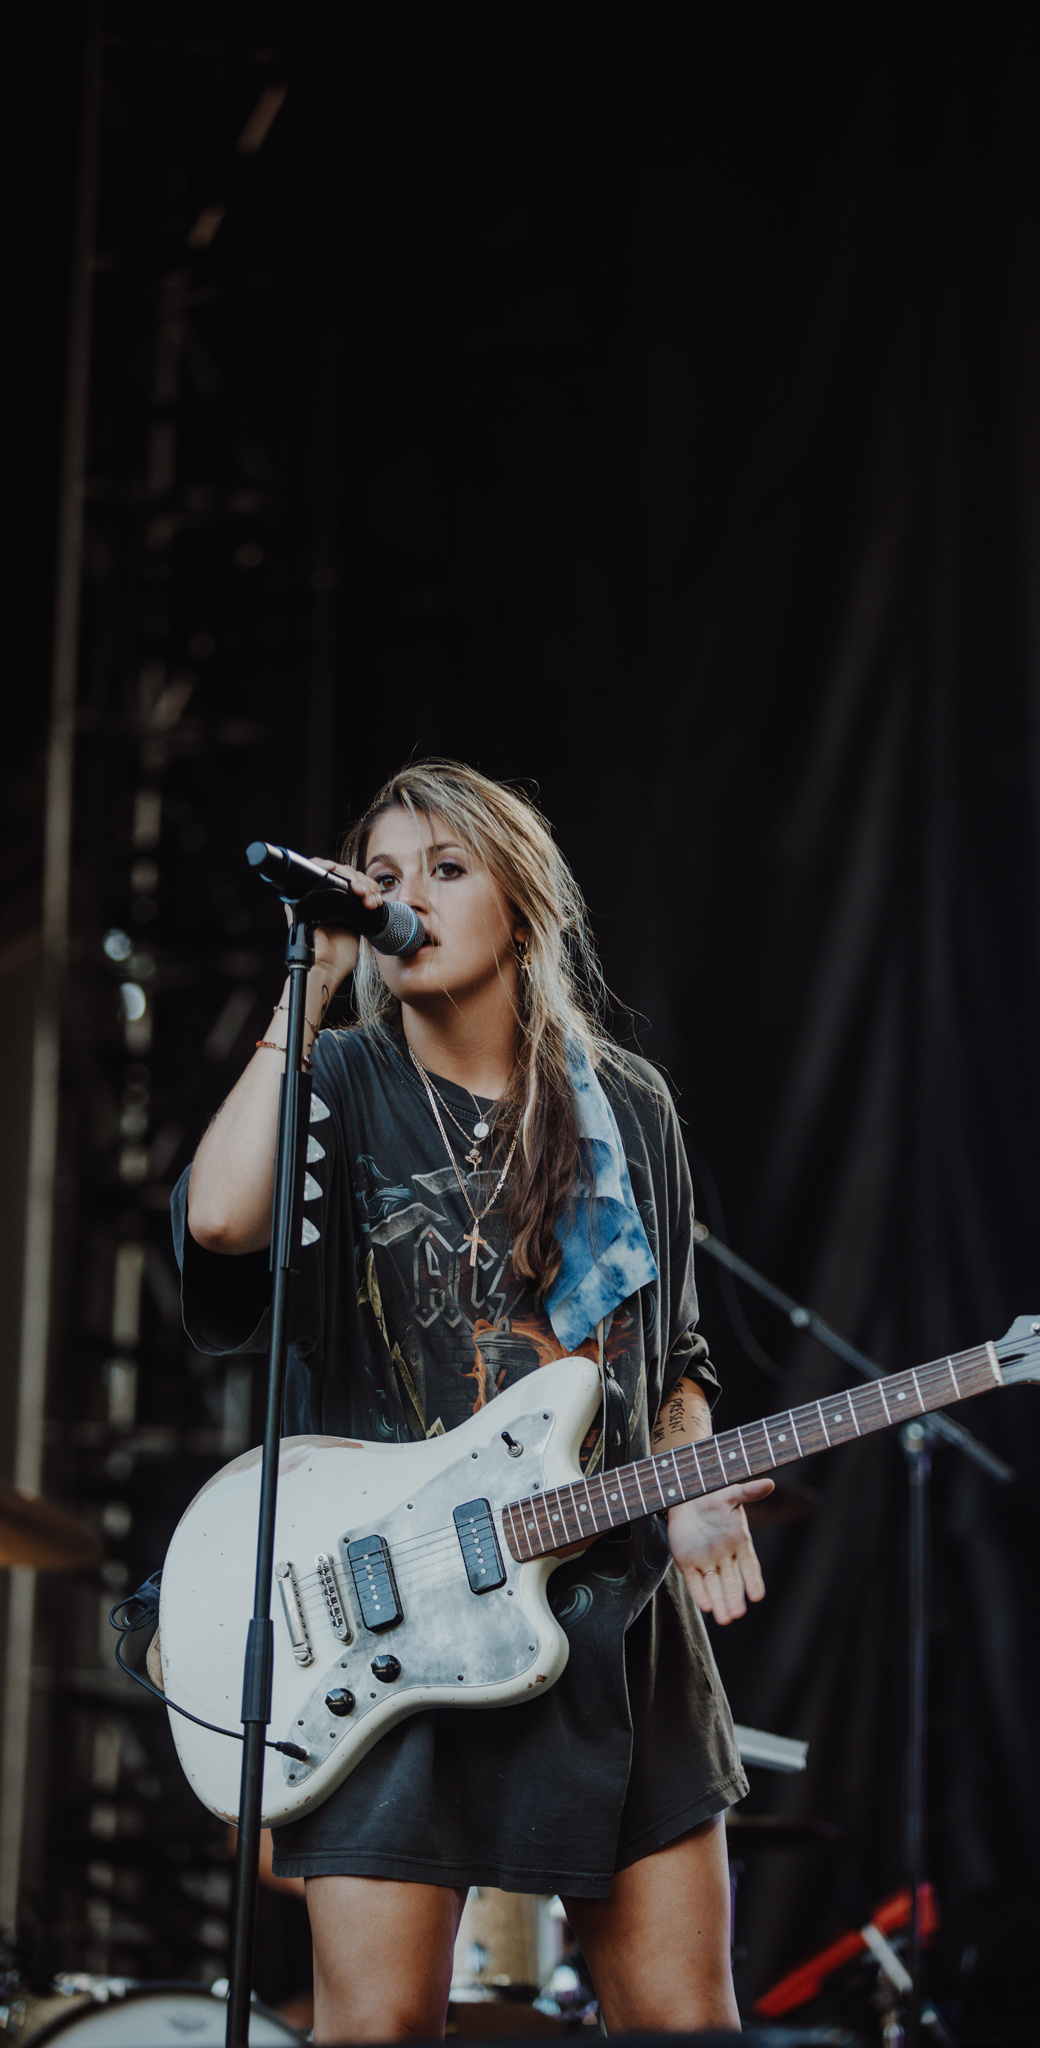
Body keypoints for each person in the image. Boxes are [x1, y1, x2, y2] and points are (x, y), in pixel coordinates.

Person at [174, 759, 773, 2043]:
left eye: (446, 870)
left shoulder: (632, 1107)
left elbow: (673, 1360)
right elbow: (222, 1217)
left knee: (685, 2016)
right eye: (385, 875)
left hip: (613, 1614)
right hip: (394, 1609)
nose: (408, 897)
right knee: (379, 2024)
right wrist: (312, 982)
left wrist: (699, 1484)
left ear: (526, 906)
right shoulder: (337, 1080)